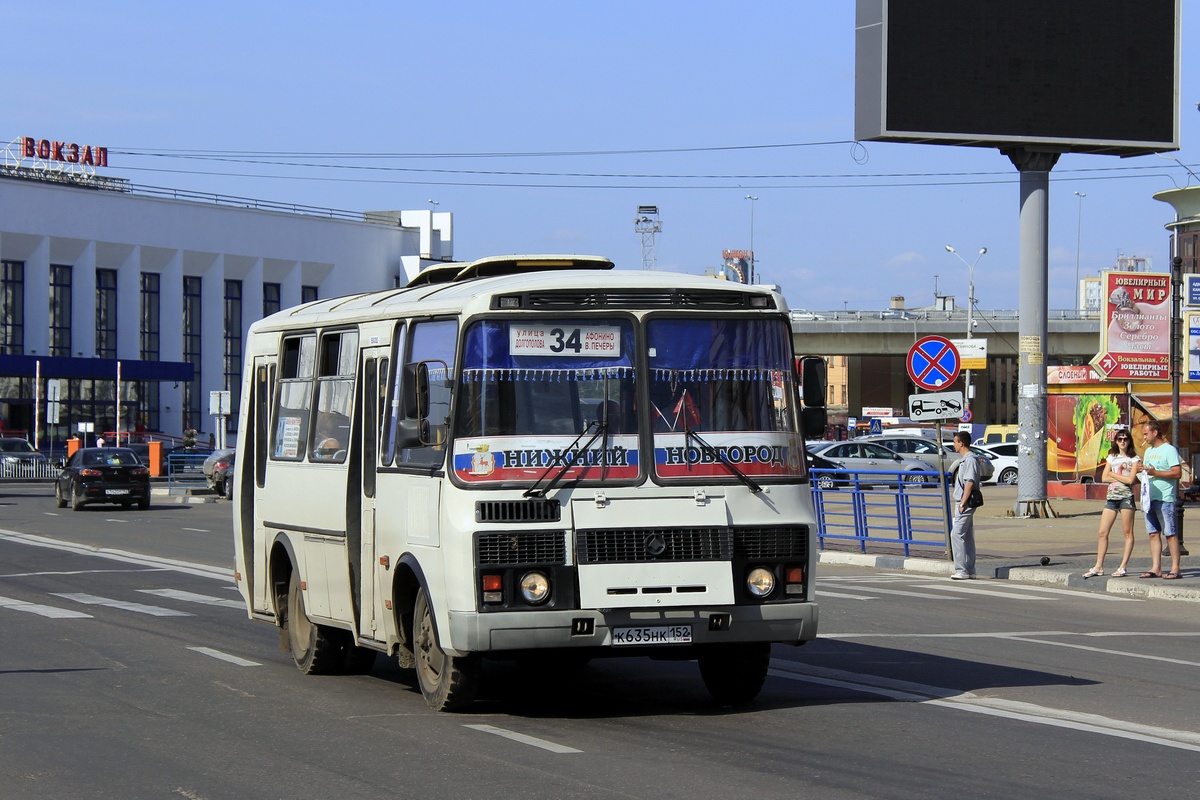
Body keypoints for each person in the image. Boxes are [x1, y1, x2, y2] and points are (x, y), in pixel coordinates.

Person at [1083, 428, 1138, 578]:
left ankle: (1123, 566)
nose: (1122, 441)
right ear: (1116, 441)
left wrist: (1114, 475)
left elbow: (1130, 480)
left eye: (1125, 439)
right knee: (1102, 532)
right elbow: (1104, 478)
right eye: (1119, 439)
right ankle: (1099, 566)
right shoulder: (1112, 457)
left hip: (1126, 497)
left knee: (1127, 532)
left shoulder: (1134, 459)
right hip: (1112, 497)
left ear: (1129, 441)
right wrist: (1118, 474)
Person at [1136, 420, 1183, 580]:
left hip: (1164, 498)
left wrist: (1156, 473)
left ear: (1155, 433)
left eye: (1145, 433)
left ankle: (1175, 568)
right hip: (1149, 498)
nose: (1144, 437)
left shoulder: (1169, 450)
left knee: (1170, 533)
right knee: (1153, 533)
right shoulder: (1148, 451)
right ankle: (1156, 567)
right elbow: (1149, 471)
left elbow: (1177, 473)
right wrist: (1141, 471)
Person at [949, 430, 979, 580]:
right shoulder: (966, 460)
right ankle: (970, 569)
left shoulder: (970, 460)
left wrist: (962, 503)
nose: (954, 444)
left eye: (955, 441)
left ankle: (961, 570)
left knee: (956, 534)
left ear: (961, 443)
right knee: (966, 536)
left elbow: (969, 482)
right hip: (963, 502)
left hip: (965, 503)